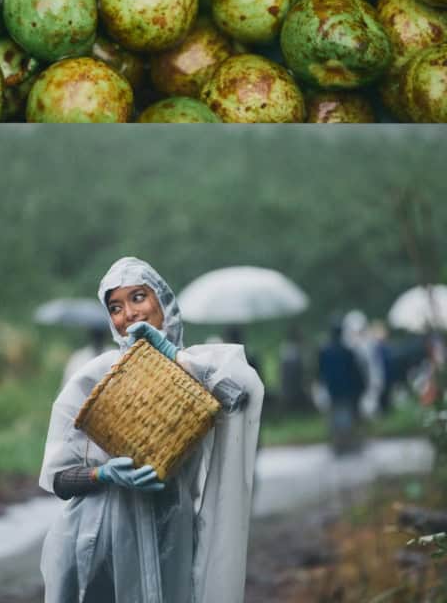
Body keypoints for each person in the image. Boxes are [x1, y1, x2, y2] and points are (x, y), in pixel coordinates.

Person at [39, 257, 264, 603]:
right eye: (115, 307)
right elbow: (58, 479)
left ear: (164, 303)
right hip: (98, 540)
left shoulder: (197, 368)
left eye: (138, 297)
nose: (128, 313)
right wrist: (103, 474)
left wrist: (172, 356)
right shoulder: (95, 375)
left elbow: (241, 396)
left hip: (171, 532)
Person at [318, 318, 366, 453]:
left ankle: (339, 444)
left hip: (333, 391)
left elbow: (320, 373)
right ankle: (347, 443)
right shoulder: (347, 351)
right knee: (346, 418)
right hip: (347, 392)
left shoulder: (325, 351)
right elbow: (356, 373)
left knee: (336, 419)